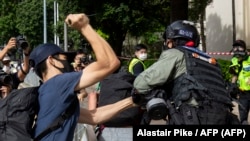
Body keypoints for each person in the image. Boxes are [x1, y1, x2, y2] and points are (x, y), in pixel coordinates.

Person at [29, 13, 136, 141]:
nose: (68, 63)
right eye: (64, 59)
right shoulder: (58, 83)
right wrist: (84, 26)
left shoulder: (49, 92)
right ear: (51, 60)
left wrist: (133, 101)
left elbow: (95, 117)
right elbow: (109, 64)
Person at [132, 20, 238, 125]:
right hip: (223, 117)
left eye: (168, 41)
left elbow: (141, 84)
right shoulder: (211, 61)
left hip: (194, 116)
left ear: (171, 41)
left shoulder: (175, 53)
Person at [229, 39, 250, 124]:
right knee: (243, 119)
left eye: (240, 48)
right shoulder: (234, 60)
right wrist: (232, 85)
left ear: (244, 49)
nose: (237, 50)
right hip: (242, 93)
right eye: (235, 48)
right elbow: (234, 74)